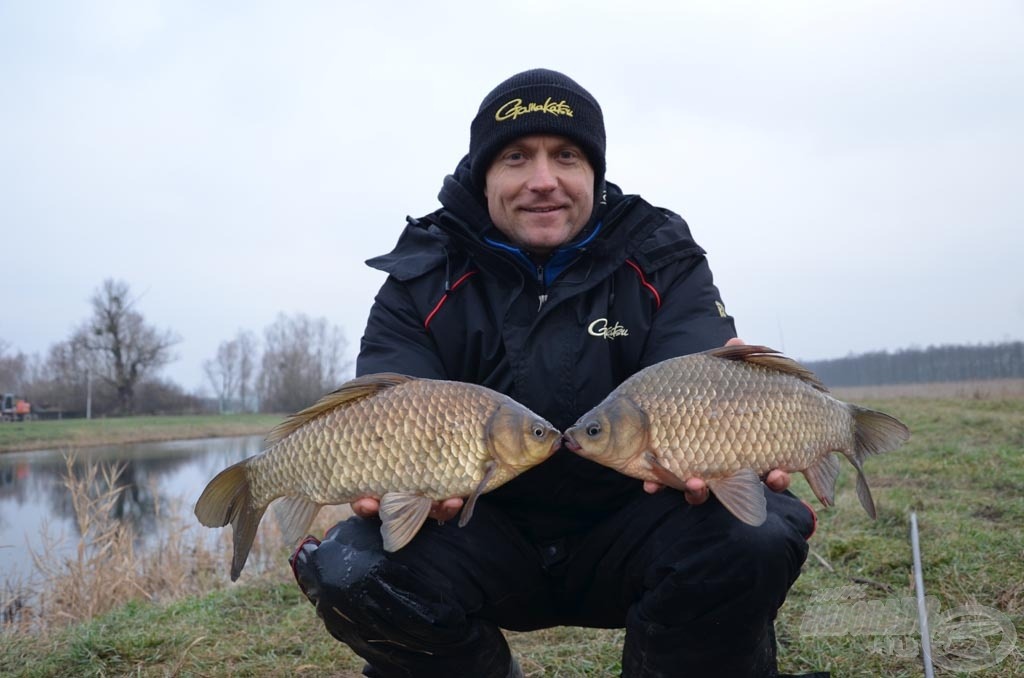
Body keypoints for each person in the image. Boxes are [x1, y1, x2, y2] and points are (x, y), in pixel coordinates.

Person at [291, 68, 825, 678]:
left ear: (593, 174)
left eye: (566, 156)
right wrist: (388, 479)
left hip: (637, 528)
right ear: (483, 175)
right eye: (517, 157)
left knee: (753, 530)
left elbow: (699, 387)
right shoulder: (420, 275)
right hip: (479, 535)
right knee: (350, 567)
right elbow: (384, 413)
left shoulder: (661, 256)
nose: (543, 181)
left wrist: (748, 431)